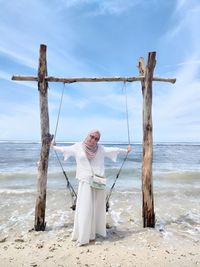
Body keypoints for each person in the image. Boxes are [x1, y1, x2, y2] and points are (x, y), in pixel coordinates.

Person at [51, 129, 131, 246]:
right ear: (87, 135)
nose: (93, 140)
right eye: (92, 136)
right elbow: (63, 149)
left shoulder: (101, 149)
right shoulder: (78, 147)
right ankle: (83, 236)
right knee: (85, 208)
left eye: (96, 138)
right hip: (85, 182)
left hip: (98, 182)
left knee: (96, 208)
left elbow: (114, 150)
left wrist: (126, 150)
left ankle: (93, 233)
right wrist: (53, 146)